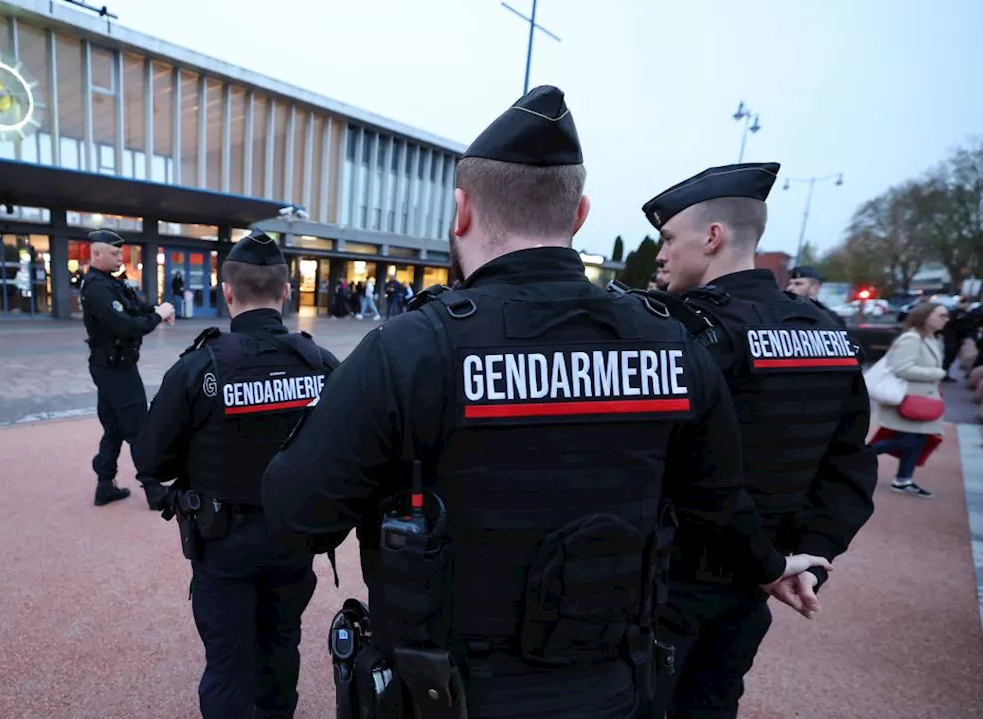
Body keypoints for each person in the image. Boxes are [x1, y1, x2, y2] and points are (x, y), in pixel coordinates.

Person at [262, 86, 828, 719]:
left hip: (445, 691)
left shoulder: (411, 348)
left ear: (461, 212)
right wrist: (771, 565)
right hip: (612, 686)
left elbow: (298, 514)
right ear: (579, 213)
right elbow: (719, 501)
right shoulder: (674, 341)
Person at [640, 163, 878, 718]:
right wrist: (808, 561)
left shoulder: (682, 332)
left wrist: (772, 563)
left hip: (670, 582)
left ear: (713, 237)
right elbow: (850, 465)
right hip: (754, 586)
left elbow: (695, 478)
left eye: (669, 238)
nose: (661, 254)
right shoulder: (824, 331)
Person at [136, 230, 340, 718]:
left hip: (223, 542)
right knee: (281, 645)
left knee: (227, 664)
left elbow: (152, 461)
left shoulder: (197, 367)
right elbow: (349, 456)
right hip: (294, 538)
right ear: (286, 291)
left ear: (226, 291)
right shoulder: (322, 364)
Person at [81, 230, 176, 507]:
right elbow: (124, 325)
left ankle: (104, 485)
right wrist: (157, 317)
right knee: (138, 428)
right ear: (96, 254)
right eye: (114, 253)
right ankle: (153, 490)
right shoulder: (97, 287)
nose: (120, 257)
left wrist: (157, 310)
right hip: (116, 370)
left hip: (111, 367)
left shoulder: (110, 283)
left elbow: (135, 308)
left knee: (113, 428)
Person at [868, 301, 949, 498]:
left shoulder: (930, 338)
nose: (945, 320)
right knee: (907, 441)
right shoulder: (912, 338)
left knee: (918, 440)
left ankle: (904, 479)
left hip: (921, 400)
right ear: (926, 316)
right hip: (909, 399)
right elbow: (902, 368)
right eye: (941, 315)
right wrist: (936, 373)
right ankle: (855, 456)